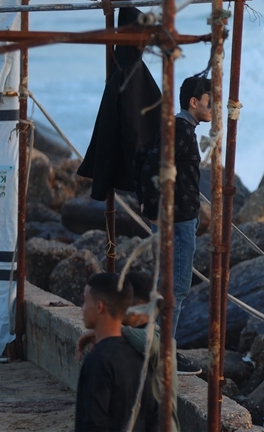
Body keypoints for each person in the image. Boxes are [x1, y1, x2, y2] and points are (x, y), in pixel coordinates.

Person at [138, 75, 209, 375]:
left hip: (181, 219)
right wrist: (153, 210)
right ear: (194, 103)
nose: (214, 108)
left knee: (169, 287)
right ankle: (164, 354)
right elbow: (149, 167)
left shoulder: (182, 129)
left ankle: (159, 348)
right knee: (175, 288)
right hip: (176, 222)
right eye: (209, 102)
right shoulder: (179, 130)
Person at [77, 272, 184, 431]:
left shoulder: (159, 339)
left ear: (140, 305)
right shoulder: (130, 346)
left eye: (126, 303)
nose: (121, 305)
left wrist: (107, 328)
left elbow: (150, 344)